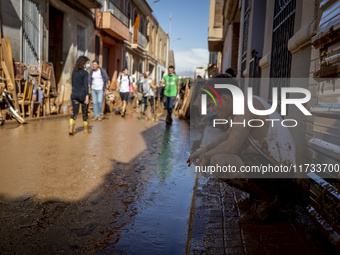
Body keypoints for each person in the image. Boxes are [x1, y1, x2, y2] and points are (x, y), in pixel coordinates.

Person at [187, 74, 296, 223]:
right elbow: (227, 135)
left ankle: (266, 200)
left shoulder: (248, 105)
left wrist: (207, 156)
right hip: (277, 169)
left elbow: (231, 146)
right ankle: (257, 196)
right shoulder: (245, 106)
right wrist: (203, 151)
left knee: (220, 161)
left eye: (212, 104)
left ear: (225, 99)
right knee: (227, 153)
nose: (212, 110)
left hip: (283, 176)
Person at [69, 56, 91, 135]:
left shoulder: (74, 72)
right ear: (83, 63)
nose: (87, 65)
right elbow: (86, 85)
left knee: (74, 113)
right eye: (87, 63)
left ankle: (71, 128)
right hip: (82, 95)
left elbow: (72, 83)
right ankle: (86, 130)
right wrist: (87, 96)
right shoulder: (85, 73)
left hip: (74, 94)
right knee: (84, 113)